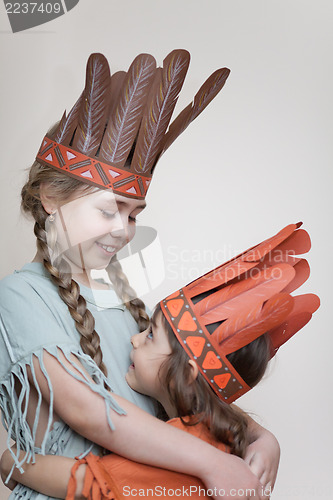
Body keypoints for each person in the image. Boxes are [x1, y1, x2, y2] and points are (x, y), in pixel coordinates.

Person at [0, 50, 280, 500]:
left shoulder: (130, 309)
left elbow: (184, 386)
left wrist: (259, 438)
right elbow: (90, 413)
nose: (123, 231)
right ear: (51, 195)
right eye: (109, 210)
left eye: (133, 216)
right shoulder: (19, 296)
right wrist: (213, 463)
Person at [0, 223, 320, 500]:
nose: (134, 339)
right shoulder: (226, 438)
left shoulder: (175, 454)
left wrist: (11, 460)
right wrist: (265, 438)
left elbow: (87, 482)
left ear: (189, 373)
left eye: (150, 335)